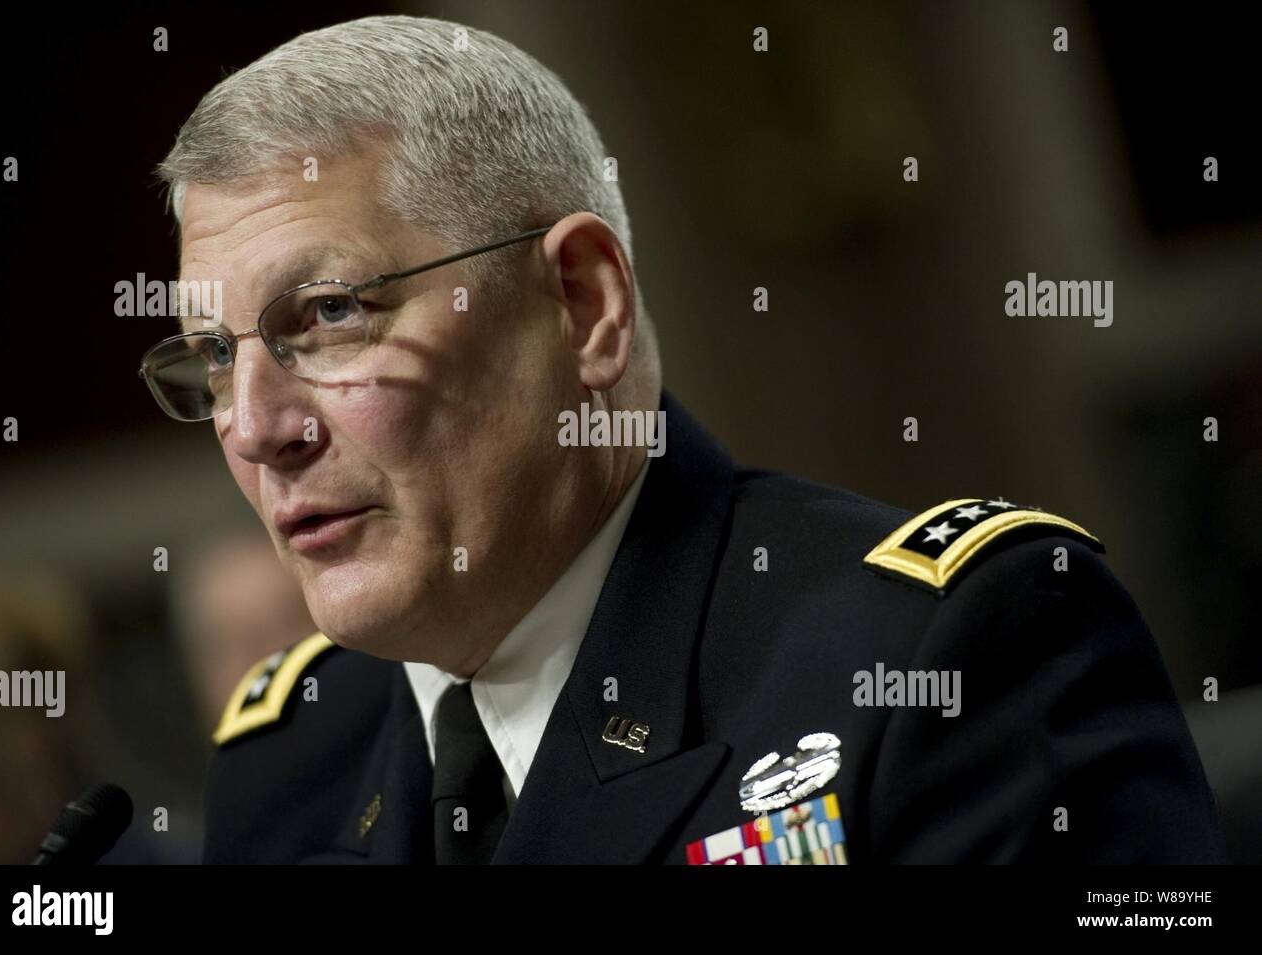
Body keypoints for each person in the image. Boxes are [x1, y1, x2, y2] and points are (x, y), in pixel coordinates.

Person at [139, 15, 1223, 864]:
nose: (256, 426)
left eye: (328, 314)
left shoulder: (942, 654)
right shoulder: (288, 758)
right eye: (217, 355)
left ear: (581, 303)